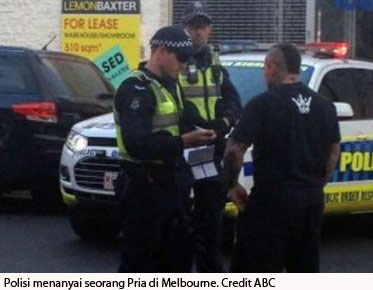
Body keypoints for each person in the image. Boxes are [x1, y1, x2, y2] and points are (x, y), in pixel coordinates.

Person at [223, 43, 341, 273]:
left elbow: (234, 150)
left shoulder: (263, 104)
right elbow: (334, 149)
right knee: (304, 268)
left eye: (265, 68)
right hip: (311, 202)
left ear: (271, 66)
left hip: (271, 202)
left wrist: (231, 185)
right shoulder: (324, 106)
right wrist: (319, 182)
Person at [113, 25, 217, 273]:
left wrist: (220, 125)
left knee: (177, 257)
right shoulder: (136, 88)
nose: (183, 65)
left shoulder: (170, 85)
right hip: (144, 187)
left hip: (171, 184)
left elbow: (189, 118)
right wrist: (185, 141)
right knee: (141, 261)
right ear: (160, 52)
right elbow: (137, 144)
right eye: (180, 58)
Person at [178, 1, 242, 272]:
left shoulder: (215, 62)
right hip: (184, 146)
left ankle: (209, 270)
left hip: (210, 147)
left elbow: (233, 99)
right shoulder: (175, 60)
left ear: (210, 30)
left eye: (203, 26)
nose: (198, 32)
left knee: (210, 213)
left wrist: (224, 122)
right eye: (194, 26)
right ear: (185, 28)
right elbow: (173, 102)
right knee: (178, 215)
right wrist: (197, 125)